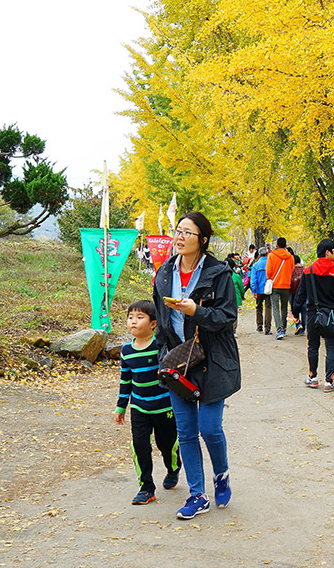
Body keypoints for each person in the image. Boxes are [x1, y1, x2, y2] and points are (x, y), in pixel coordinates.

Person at [153, 211, 242, 520]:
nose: (179, 237)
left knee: (209, 428)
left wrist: (197, 312)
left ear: (203, 240)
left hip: (212, 361)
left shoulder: (219, 274)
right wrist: (164, 354)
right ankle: (197, 494)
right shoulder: (164, 273)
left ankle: (221, 475)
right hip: (179, 362)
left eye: (186, 233)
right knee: (187, 432)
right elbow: (163, 322)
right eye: (177, 231)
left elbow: (227, 318)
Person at [114, 300, 180, 504]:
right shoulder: (126, 350)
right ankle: (146, 487)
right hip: (139, 407)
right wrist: (121, 406)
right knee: (140, 446)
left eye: (139, 317)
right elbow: (126, 380)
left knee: (166, 444)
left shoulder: (160, 346)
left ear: (153, 324)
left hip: (164, 407)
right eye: (130, 317)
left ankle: (173, 468)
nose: (133, 321)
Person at [292, 239, 334, 392]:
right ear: (327, 252)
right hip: (332, 316)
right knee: (331, 347)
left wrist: (295, 313)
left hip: (312, 315)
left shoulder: (308, 271)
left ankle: (313, 377)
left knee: (313, 346)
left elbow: (300, 295)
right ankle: (329, 382)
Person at [266, 237, 294, 340]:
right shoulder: (290, 257)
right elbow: (292, 271)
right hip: (286, 285)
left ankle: (279, 330)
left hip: (275, 285)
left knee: (276, 308)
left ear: (277, 245)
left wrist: (271, 278)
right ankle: (284, 329)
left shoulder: (272, 255)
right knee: (284, 307)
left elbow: (268, 271)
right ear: (286, 246)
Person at [249, 246, 272, 335]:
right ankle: (267, 328)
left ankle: (259, 326)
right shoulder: (270, 264)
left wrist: (254, 290)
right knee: (268, 307)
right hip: (268, 289)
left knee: (259, 307)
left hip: (258, 289)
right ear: (267, 254)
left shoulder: (256, 265)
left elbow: (253, 279)